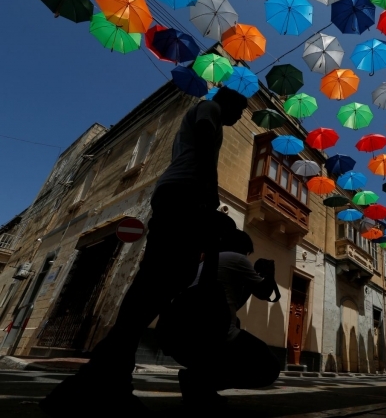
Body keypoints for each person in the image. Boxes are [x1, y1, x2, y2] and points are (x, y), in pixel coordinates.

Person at [40, 86, 249, 418]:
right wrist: (210, 192)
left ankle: (106, 374)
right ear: (229, 102)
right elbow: (207, 143)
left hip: (178, 194)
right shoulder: (209, 108)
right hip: (185, 195)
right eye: (240, 110)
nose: (239, 118)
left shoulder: (202, 116)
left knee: (162, 280)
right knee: (159, 279)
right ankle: (103, 378)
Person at [158, 228, 281, 410]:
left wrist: (246, 283)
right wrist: (269, 273)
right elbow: (264, 292)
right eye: (247, 252)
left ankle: (200, 385)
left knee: (235, 322)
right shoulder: (237, 258)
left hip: (182, 339)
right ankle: (199, 382)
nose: (246, 256)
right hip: (214, 337)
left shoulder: (205, 262)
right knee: (269, 367)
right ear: (242, 248)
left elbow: (232, 304)